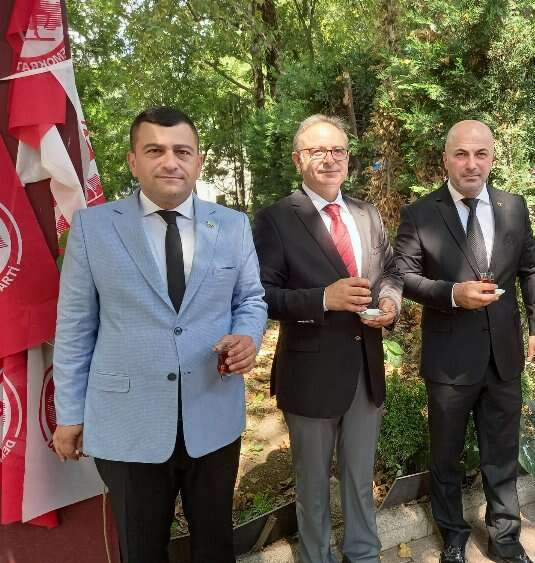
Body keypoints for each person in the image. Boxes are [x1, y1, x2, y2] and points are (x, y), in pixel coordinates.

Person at [52, 106, 268, 563]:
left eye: (182, 151)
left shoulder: (232, 226)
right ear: (133, 161)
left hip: (212, 415)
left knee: (215, 547)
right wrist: (68, 413)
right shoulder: (93, 228)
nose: (170, 162)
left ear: (198, 161)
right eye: (155, 151)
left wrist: (247, 336)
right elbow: (75, 326)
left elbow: (250, 299)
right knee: (142, 549)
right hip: (128, 422)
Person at [394, 120, 535, 563]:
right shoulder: (421, 213)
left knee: (502, 454)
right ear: (446, 158)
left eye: (480, 154)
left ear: (492, 158)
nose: (471, 163)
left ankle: (505, 538)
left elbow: (531, 270)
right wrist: (451, 294)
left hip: (503, 356)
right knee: (446, 456)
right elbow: (403, 275)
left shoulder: (513, 207)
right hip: (449, 360)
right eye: (461, 154)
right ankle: (453, 535)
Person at [252, 114, 403, 563]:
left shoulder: (367, 213)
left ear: (348, 158)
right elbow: (261, 294)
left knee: (360, 478)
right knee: (313, 485)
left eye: (338, 150)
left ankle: (363, 554)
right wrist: (323, 298)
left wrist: (390, 302)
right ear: (298, 160)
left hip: (365, 371)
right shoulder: (277, 219)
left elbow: (391, 272)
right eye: (317, 150)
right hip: (309, 373)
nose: (330, 159)